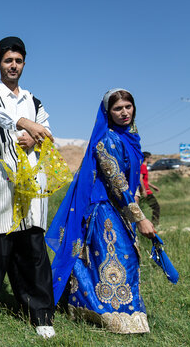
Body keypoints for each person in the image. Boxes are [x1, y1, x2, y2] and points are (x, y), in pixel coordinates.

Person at [0, 36, 56, 338]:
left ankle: (40, 313)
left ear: (24, 63)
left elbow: (47, 130)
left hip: (30, 189)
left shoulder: (35, 101)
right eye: (8, 60)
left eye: (18, 60)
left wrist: (35, 135)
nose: (13, 65)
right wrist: (26, 124)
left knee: (32, 251)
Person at [46, 89, 156, 334]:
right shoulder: (106, 140)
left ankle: (116, 309)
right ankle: (103, 311)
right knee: (114, 258)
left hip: (122, 206)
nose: (124, 112)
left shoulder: (131, 137)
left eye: (128, 106)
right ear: (108, 112)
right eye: (118, 108)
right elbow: (117, 183)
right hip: (103, 207)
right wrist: (141, 219)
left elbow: (131, 177)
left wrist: (136, 196)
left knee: (125, 257)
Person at [140, 152, 162, 226]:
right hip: (146, 191)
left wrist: (154, 187)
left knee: (143, 207)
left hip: (147, 190)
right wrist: (143, 190)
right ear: (146, 159)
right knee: (156, 207)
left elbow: (145, 180)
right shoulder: (142, 166)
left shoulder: (144, 167)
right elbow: (140, 179)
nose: (151, 159)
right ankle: (155, 225)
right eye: (151, 158)